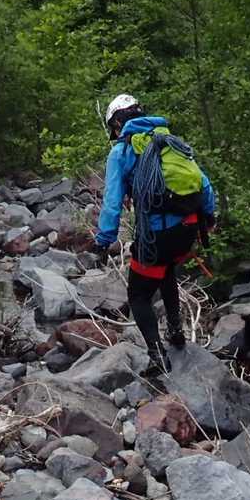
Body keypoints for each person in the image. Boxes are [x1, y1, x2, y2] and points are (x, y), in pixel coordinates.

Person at [93, 94, 217, 373]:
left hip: (158, 235)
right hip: (188, 228)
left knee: (138, 295)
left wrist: (103, 241)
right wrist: (209, 217)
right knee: (166, 270)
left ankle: (157, 355)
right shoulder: (170, 141)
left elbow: (112, 202)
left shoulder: (122, 152)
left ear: (117, 124)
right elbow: (203, 182)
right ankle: (176, 332)